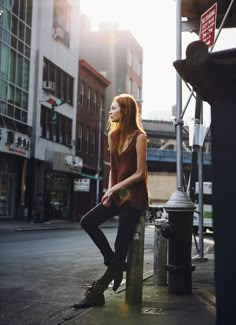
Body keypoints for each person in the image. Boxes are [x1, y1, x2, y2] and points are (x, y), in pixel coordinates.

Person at [73, 94, 149, 309]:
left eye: (114, 108)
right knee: (87, 221)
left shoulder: (139, 137)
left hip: (134, 196)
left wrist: (115, 188)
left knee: (121, 243)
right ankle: (113, 263)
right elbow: (113, 170)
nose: (110, 112)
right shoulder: (112, 135)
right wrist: (109, 191)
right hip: (117, 194)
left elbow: (141, 173)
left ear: (125, 111)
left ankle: (97, 293)